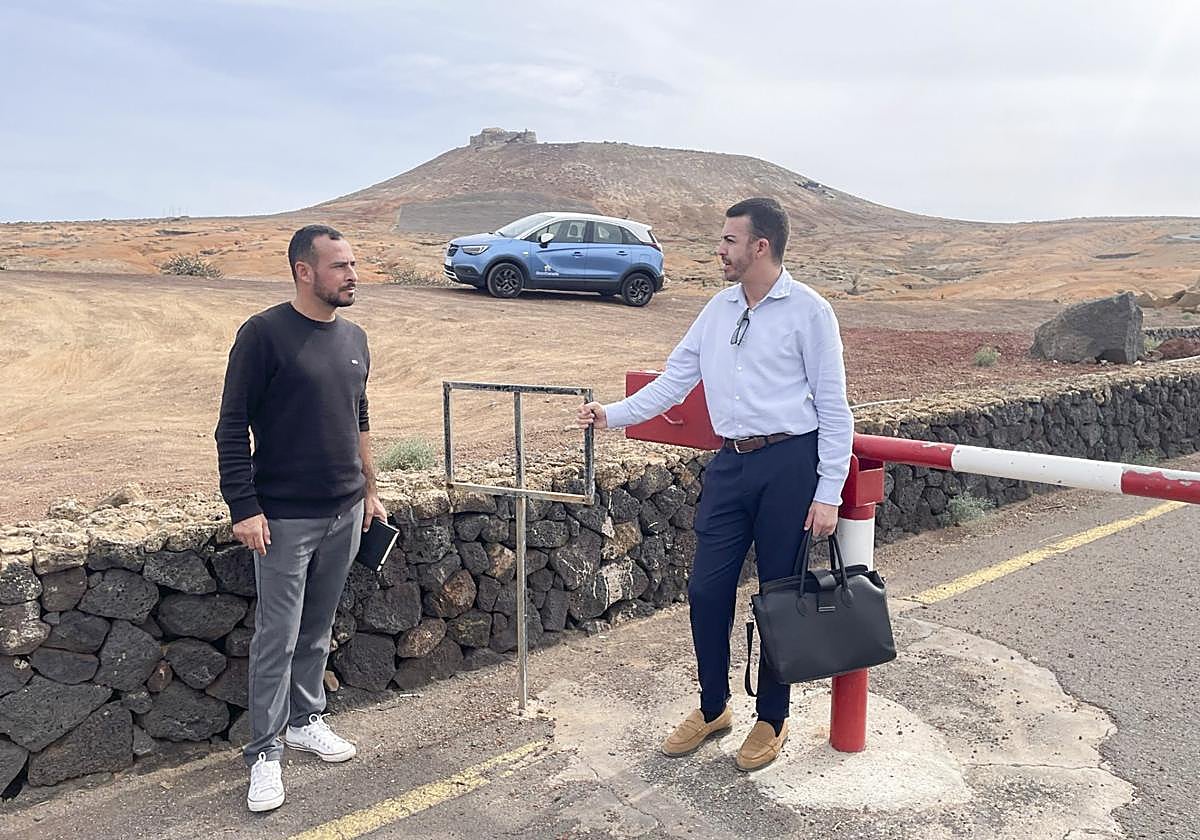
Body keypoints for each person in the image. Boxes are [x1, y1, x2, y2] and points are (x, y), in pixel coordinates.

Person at [577, 197, 853, 772]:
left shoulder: (810, 312)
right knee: (706, 590)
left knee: (780, 594)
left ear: (760, 246)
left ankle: (772, 718)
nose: (719, 249)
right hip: (729, 466)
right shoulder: (718, 309)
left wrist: (828, 492)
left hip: (789, 464)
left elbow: (834, 408)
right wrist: (613, 414)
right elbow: (674, 382)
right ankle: (712, 706)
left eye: (729, 240)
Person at [215, 224, 387, 812]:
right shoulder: (262, 335)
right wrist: (244, 506)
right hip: (283, 518)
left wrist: (370, 490)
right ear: (303, 271)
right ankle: (264, 753)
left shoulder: (356, 337)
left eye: (354, 264)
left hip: (344, 510)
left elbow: (359, 417)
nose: (352, 274)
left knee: (316, 628)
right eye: (339, 265)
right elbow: (232, 425)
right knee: (276, 638)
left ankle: (304, 721)